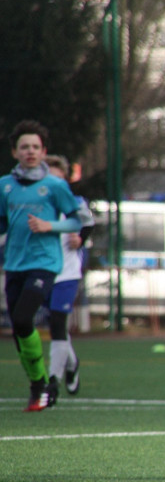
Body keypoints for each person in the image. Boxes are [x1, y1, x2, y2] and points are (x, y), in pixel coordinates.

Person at [1, 121, 88, 411]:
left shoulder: (54, 186)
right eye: (24, 147)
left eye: (35, 147)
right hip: (15, 263)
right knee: (19, 329)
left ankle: (47, 381)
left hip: (46, 264)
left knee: (27, 318)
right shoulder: (5, 186)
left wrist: (49, 225)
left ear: (43, 151)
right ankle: (38, 383)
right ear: (14, 151)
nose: (30, 151)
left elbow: (78, 220)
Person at [44, 155, 94, 396]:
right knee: (53, 325)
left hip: (67, 273)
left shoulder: (74, 203)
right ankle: (72, 363)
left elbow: (88, 225)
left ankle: (52, 381)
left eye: (59, 179)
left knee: (57, 323)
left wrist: (81, 239)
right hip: (41, 271)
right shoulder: (37, 204)